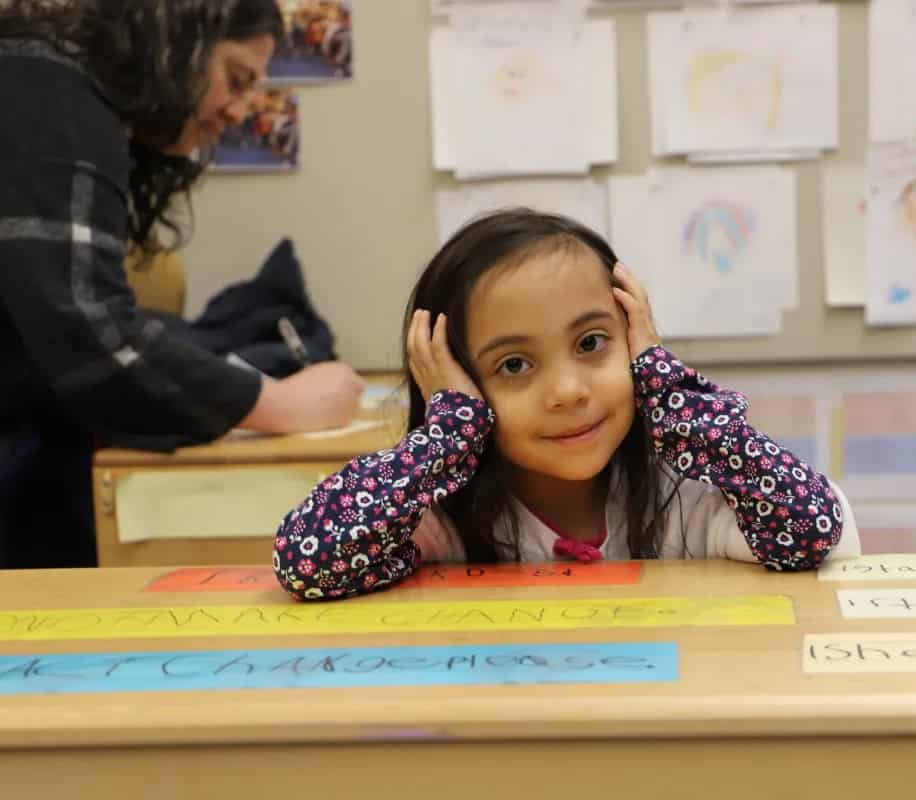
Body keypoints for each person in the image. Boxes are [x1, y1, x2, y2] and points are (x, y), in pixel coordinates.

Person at [273, 209, 859, 601]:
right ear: (458, 388)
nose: (569, 391)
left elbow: (813, 530)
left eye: (591, 344)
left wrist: (674, 397)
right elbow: (311, 562)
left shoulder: (686, 496)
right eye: (514, 365)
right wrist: (446, 437)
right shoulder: (442, 518)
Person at [0, 0, 365, 569]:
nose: (243, 110)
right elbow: (87, 330)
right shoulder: (47, 89)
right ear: (181, 44)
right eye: (237, 80)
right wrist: (280, 403)